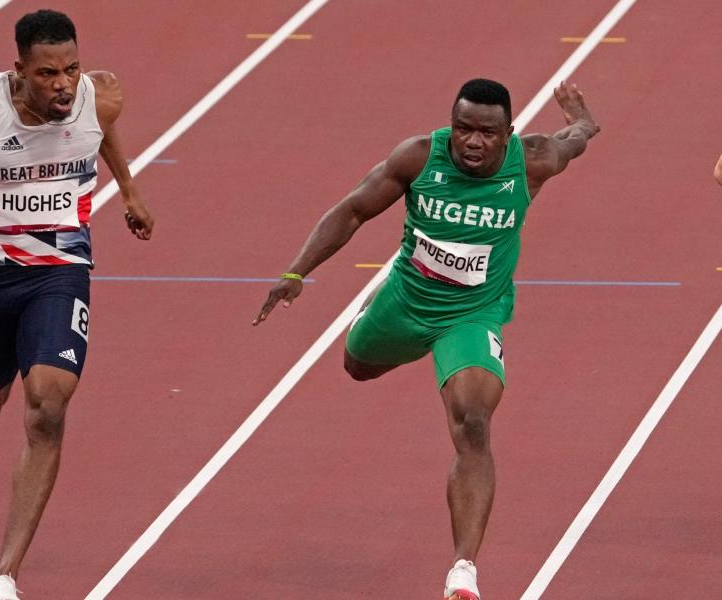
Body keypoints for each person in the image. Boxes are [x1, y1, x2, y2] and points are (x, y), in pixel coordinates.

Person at [253, 79, 598, 600]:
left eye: (486, 132)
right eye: (463, 129)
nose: (472, 142)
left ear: (508, 134)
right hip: (406, 302)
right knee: (357, 365)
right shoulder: (418, 158)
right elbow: (353, 210)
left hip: (473, 313)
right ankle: (381, 316)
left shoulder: (534, 160)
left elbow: (576, 138)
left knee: (474, 422)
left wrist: (583, 119)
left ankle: (463, 571)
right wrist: (296, 273)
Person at [0, 9, 153, 600]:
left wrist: (127, 188)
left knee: (48, 407)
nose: (63, 85)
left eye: (72, 69)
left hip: (60, 274)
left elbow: (100, 128)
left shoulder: (100, 96)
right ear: (18, 69)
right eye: (48, 73)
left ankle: (5, 575)